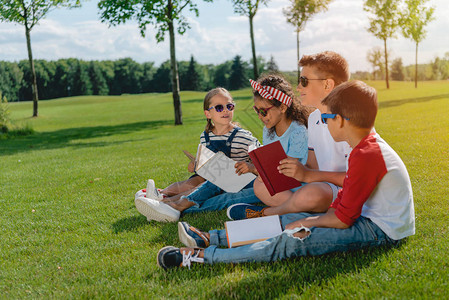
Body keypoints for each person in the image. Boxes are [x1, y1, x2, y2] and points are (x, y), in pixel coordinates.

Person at [156, 80, 415, 269]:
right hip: (363, 217)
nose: (323, 124)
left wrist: (309, 223)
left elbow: (343, 220)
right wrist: (305, 218)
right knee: (291, 219)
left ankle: (202, 256)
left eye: (327, 119)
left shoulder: (368, 153)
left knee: (293, 238)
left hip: (379, 231)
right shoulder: (363, 147)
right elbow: (346, 199)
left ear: (344, 119)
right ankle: (211, 237)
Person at [136, 73, 310, 222]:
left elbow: (288, 172)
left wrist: (252, 167)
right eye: (257, 111)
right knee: (216, 179)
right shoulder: (269, 130)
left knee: (227, 197)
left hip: (285, 188)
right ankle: (169, 205)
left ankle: (174, 206)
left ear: (283, 107)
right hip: (264, 182)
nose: (260, 116)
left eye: (263, 111)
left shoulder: (297, 132)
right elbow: (268, 161)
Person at [227, 51, 352, 220]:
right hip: (316, 185)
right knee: (261, 185)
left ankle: (268, 213)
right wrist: (290, 173)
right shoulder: (315, 118)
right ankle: (300, 208)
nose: (298, 88)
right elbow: (312, 165)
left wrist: (307, 176)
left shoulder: (349, 122)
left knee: (312, 193)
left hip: (338, 190)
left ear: (327, 85)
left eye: (304, 81)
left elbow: (355, 180)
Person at [134, 87, 261, 222]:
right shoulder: (206, 136)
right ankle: (161, 198)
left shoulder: (243, 136)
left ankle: (166, 204)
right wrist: (196, 165)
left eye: (229, 106)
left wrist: (250, 166)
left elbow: (262, 160)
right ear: (208, 114)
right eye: (219, 108)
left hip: (236, 180)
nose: (225, 110)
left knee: (208, 182)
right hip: (212, 177)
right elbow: (206, 160)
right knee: (196, 181)